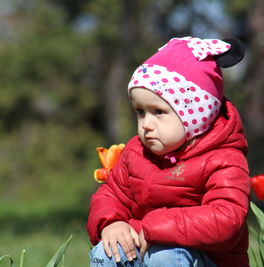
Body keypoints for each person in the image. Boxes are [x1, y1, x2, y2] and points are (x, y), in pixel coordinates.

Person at [87, 36, 250, 267]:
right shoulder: (136, 152)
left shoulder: (223, 158)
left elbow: (227, 220)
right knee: (108, 250)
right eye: (141, 112)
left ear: (194, 115)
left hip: (209, 259)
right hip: (146, 246)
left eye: (158, 112)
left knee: (165, 254)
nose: (146, 124)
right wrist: (111, 223)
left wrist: (153, 227)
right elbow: (111, 195)